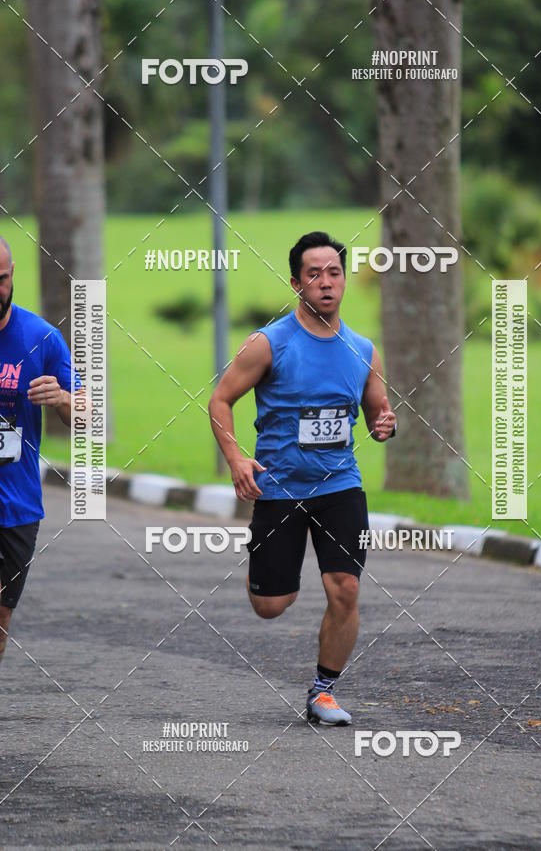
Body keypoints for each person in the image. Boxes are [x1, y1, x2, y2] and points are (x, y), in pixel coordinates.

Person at [208, 231, 396, 725]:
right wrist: (236, 460)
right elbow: (220, 400)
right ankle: (264, 566)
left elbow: (379, 415)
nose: (326, 283)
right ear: (297, 282)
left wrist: (384, 425)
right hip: (280, 488)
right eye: (315, 274)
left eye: (334, 272)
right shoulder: (269, 344)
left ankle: (323, 692)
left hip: (340, 487)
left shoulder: (363, 350)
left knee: (345, 589)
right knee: (272, 604)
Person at [0, 237, 75, 664]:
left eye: (2, 280)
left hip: (16, 505)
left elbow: (87, 414)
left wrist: (63, 398)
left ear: (12, 278)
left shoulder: (40, 338)